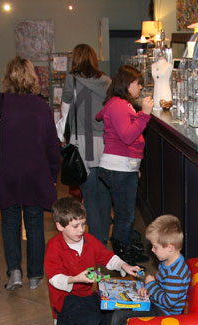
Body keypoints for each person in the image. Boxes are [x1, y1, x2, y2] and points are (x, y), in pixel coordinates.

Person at [0, 56, 61, 291]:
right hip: (35, 173)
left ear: (8, 77)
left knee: (10, 222)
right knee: (35, 223)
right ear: (32, 76)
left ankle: (14, 271)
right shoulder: (40, 106)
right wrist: (53, 174)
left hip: (5, 172)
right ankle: (35, 275)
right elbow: (51, 146)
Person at [91, 214, 190, 325]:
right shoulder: (169, 261)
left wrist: (150, 285)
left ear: (170, 247)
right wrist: (150, 286)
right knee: (115, 304)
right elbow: (161, 280)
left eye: (155, 247)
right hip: (156, 303)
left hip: (164, 313)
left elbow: (168, 301)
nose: (152, 249)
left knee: (121, 316)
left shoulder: (177, 273)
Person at [45, 197, 141, 325]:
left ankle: (89, 321)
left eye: (83, 224)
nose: (81, 230)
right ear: (60, 226)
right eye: (75, 226)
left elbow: (107, 257)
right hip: (66, 301)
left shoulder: (89, 240)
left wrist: (124, 265)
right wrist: (76, 278)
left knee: (110, 321)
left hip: (88, 296)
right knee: (87, 324)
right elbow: (54, 278)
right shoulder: (54, 247)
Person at [95, 65, 152, 264]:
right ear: (128, 84)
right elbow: (128, 136)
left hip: (123, 166)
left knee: (125, 213)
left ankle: (125, 249)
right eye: (138, 83)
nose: (140, 87)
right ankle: (121, 255)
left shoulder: (119, 104)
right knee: (124, 215)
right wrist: (144, 114)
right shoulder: (119, 105)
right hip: (118, 167)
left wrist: (133, 168)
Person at [61, 44, 112, 245]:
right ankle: (104, 237)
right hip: (105, 144)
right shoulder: (107, 82)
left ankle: (96, 240)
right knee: (105, 192)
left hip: (81, 144)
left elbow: (64, 114)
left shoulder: (70, 80)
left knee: (89, 194)